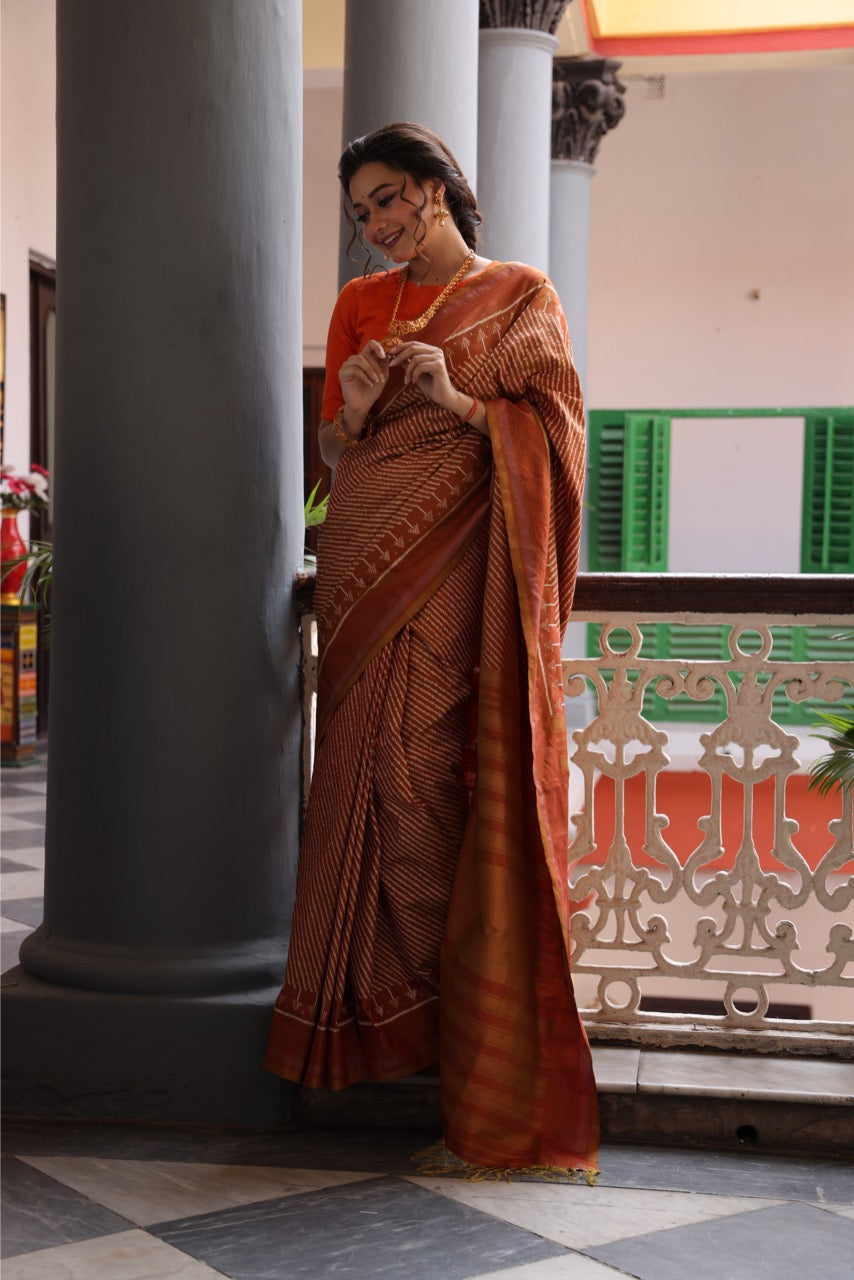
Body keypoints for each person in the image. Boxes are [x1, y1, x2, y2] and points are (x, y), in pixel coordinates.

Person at [265, 122, 598, 1177]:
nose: (373, 227)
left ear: (432, 189)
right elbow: (328, 452)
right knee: (350, 782)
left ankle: (434, 1021)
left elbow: (551, 427)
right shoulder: (359, 305)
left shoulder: (520, 295)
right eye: (361, 212)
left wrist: (457, 396)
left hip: (455, 566)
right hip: (362, 560)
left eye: (383, 201)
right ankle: (352, 1020)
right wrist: (352, 413)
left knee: (418, 777)